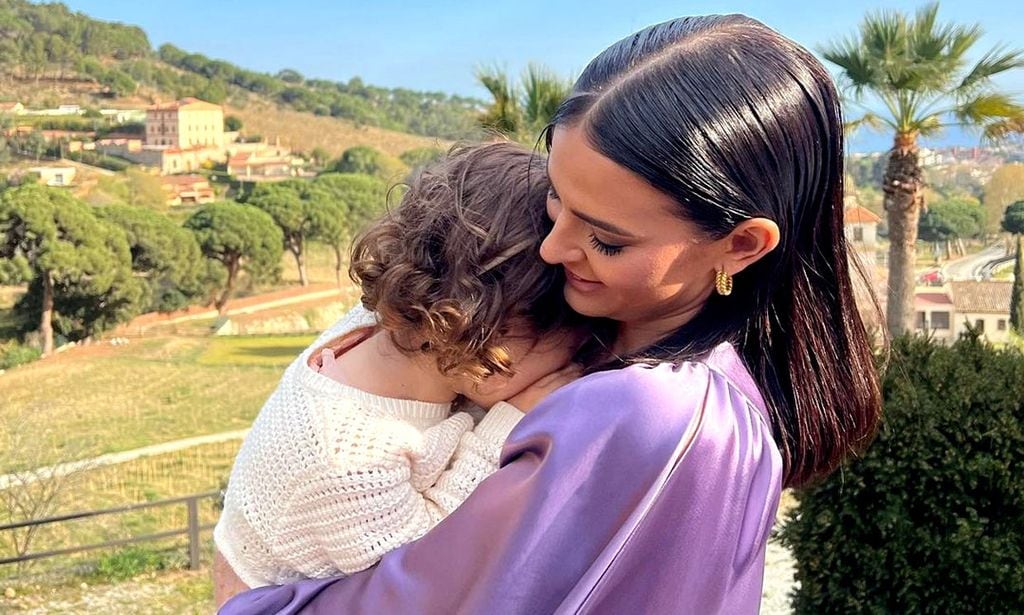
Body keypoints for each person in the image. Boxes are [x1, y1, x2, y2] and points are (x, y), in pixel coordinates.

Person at [220, 14, 882, 614]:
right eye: (554, 204)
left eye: (607, 240)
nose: (553, 247)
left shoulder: (647, 414)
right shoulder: (678, 370)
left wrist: (245, 596)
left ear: (740, 244)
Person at [213, 143, 586, 606]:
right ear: (494, 353)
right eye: (566, 362)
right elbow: (425, 564)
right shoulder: (348, 455)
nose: (572, 371)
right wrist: (510, 420)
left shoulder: (399, 321)